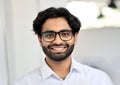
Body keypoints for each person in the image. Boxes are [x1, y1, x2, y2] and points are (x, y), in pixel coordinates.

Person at [14, 7, 113, 85]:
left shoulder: (99, 80)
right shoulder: (24, 83)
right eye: (49, 35)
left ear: (75, 37)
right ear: (40, 39)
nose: (57, 41)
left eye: (65, 34)